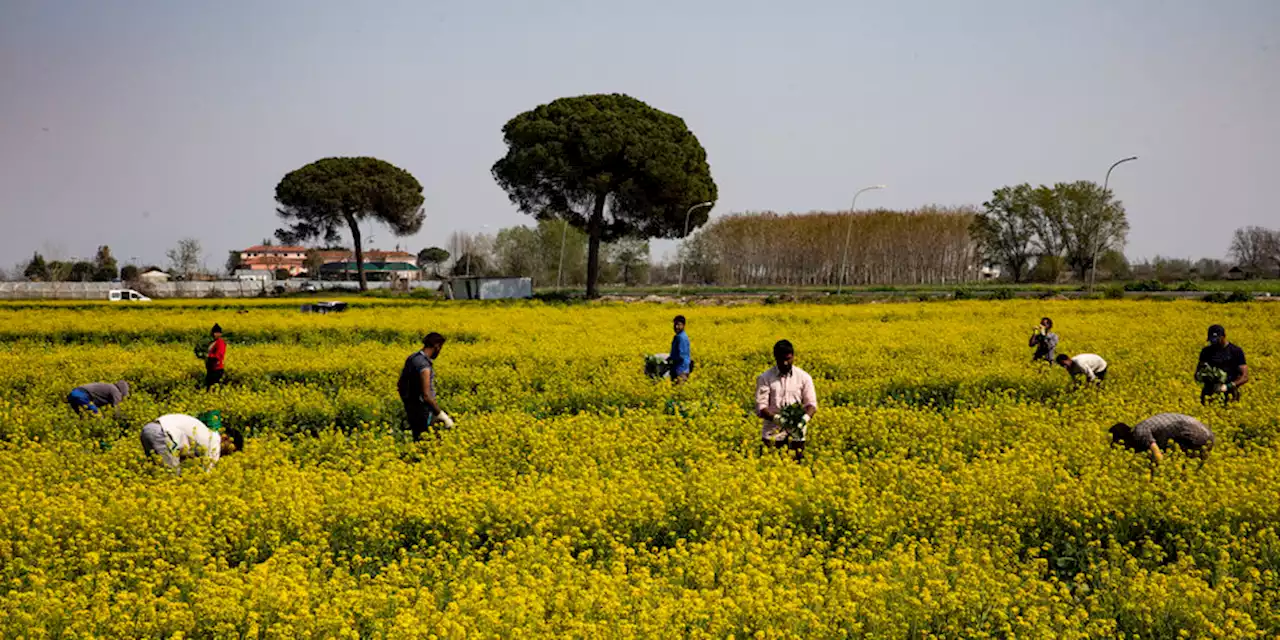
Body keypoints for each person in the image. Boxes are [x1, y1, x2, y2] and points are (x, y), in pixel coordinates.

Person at [755, 340, 818, 462]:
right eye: (781, 359)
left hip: (796, 435)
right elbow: (761, 407)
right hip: (772, 434)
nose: (785, 363)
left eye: (788, 359)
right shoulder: (765, 378)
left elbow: (811, 404)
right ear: (775, 358)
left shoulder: (804, 377)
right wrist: (777, 419)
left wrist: (804, 420)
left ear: (793, 356)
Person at [140, 412, 243, 473]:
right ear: (226, 439)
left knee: (158, 472)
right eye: (229, 450)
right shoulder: (214, 442)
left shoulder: (205, 432)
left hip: (149, 429)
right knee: (170, 476)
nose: (225, 455)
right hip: (161, 433)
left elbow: (183, 453)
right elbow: (207, 473)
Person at [398, 332, 454, 440]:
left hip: (412, 409)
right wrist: (441, 414)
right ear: (437, 346)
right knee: (428, 442)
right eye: (440, 348)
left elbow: (401, 384)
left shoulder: (412, 358)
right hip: (424, 411)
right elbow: (426, 395)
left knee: (418, 440)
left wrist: (408, 403)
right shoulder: (424, 365)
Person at [1109, 413, 1215, 464]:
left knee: (1180, 467)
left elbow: (1157, 454)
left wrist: (1159, 474)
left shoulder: (1139, 433)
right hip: (1208, 433)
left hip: (1193, 435)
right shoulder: (1145, 425)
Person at [1197, 324, 1248, 404]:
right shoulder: (1206, 351)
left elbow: (1244, 377)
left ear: (1223, 337)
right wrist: (1203, 375)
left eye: (1215, 340)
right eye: (1211, 340)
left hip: (1230, 396)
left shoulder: (1235, 351)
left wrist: (1228, 386)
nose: (1213, 342)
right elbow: (1197, 373)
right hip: (1209, 396)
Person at [667, 315, 692, 383]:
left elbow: (682, 355)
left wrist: (672, 359)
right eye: (675, 324)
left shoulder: (681, 338)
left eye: (678, 325)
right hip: (679, 369)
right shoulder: (678, 336)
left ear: (683, 325)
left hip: (681, 370)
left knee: (679, 390)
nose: (676, 327)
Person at [201, 323, 227, 389]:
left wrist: (209, 356)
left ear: (220, 334)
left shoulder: (220, 342)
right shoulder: (212, 342)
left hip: (217, 369)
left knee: (214, 388)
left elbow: (219, 355)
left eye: (217, 332)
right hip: (211, 368)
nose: (215, 334)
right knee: (209, 387)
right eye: (214, 332)